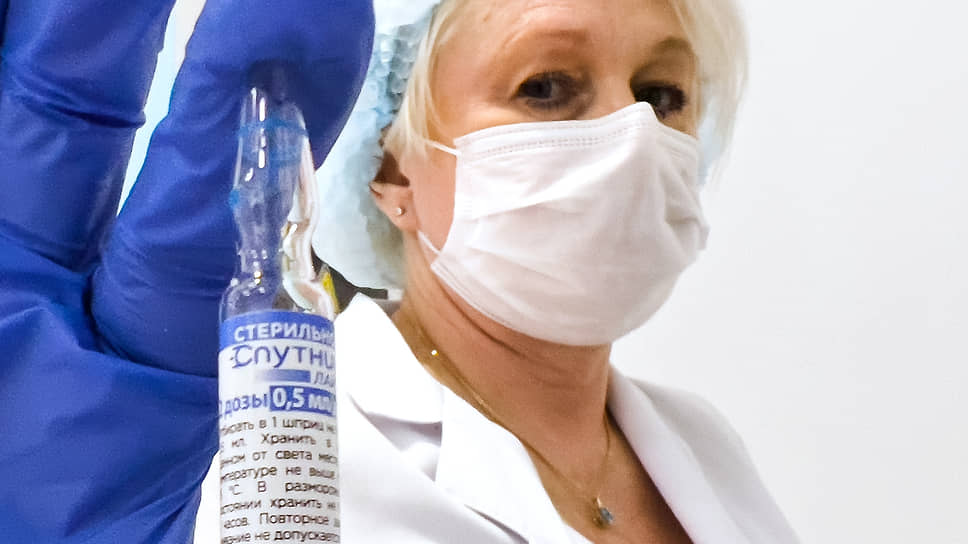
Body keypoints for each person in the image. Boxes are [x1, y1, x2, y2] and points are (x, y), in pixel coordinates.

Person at [0, 1, 800, 544]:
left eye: (661, 93)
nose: (630, 136)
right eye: (547, 87)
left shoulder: (701, 444)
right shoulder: (269, 452)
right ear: (392, 170)